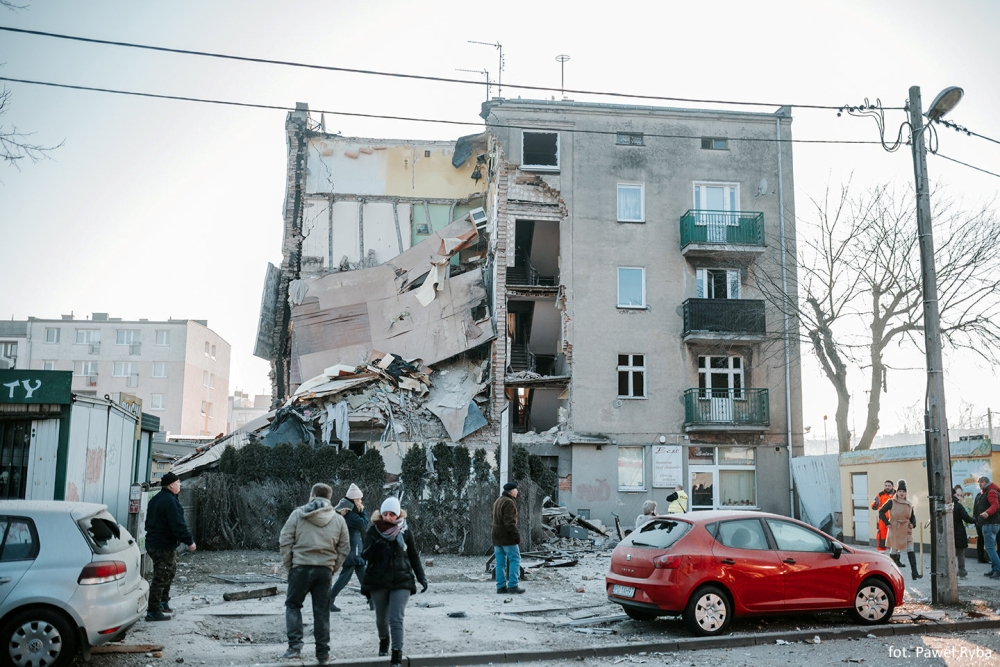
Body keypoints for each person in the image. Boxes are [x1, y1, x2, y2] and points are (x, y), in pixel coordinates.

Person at [278, 482, 350, 664]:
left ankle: (294, 648)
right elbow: (344, 548)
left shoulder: (298, 514)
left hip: (300, 567)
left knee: (293, 605)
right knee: (322, 612)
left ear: (312, 495)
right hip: (324, 570)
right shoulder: (338, 519)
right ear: (329, 498)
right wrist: (333, 568)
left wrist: (289, 566)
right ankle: (323, 654)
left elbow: (285, 540)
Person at [361, 496, 427, 667]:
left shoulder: (405, 531)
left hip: (401, 579)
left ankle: (396, 657)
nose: (388, 518)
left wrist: (421, 577)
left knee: (396, 618)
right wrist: (376, 547)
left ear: (398, 514)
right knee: (381, 619)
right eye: (385, 514)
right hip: (378, 580)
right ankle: (384, 640)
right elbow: (364, 555)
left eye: (392, 514)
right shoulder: (373, 530)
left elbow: (413, 556)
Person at [144, 471, 196, 621]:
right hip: (162, 545)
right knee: (161, 576)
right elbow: (178, 525)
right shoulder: (170, 502)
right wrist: (189, 541)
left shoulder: (156, 499)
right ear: (171, 485)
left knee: (169, 571)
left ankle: (162, 602)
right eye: (178, 483)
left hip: (154, 543)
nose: (180, 485)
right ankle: (153, 611)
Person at [330, 483, 370, 612]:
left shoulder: (346, 511)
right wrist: (363, 511)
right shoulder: (351, 514)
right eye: (359, 499)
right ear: (355, 500)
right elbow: (364, 524)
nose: (361, 501)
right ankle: (329, 600)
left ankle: (372, 601)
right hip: (353, 548)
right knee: (345, 577)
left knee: (362, 575)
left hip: (352, 547)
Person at [879, 479, 921, 578]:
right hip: (895, 528)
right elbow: (881, 511)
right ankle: (891, 573)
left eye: (904, 491)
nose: (902, 493)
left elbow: (912, 517)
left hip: (906, 529)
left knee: (910, 549)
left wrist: (913, 524)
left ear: (906, 493)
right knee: (894, 550)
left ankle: (914, 573)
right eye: (900, 491)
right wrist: (887, 523)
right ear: (897, 492)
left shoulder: (909, 503)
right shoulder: (891, 502)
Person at [492, 481, 523, 595]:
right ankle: (513, 585)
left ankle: (500, 587)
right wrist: (516, 536)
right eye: (516, 490)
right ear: (512, 491)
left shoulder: (498, 501)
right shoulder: (509, 502)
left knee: (500, 563)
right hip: (507, 537)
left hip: (496, 537)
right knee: (515, 559)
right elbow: (510, 523)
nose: (517, 492)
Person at [976, 476, 1000, 578]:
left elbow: (995, 505)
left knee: (990, 548)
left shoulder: (991, 491)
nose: (979, 484)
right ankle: (994, 569)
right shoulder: (988, 491)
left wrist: (987, 513)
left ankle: (998, 569)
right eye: (979, 482)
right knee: (991, 548)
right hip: (991, 523)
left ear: (986, 482)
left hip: (990, 524)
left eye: (981, 482)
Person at [952, 484, 976, 578]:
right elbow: (966, 518)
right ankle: (961, 571)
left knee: (951, 553)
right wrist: (976, 520)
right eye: (957, 495)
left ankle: (951, 571)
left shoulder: (947, 505)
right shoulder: (958, 506)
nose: (959, 497)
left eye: (960, 495)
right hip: (959, 531)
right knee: (960, 552)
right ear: (954, 494)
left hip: (949, 532)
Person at [870, 479, 895, 554]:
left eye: (889, 486)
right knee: (882, 537)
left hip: (894, 519)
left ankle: (895, 557)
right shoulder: (880, 495)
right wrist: (876, 504)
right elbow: (873, 506)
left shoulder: (897, 494)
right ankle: (882, 555)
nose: (887, 487)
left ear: (892, 486)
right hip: (883, 519)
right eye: (886, 485)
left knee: (895, 538)